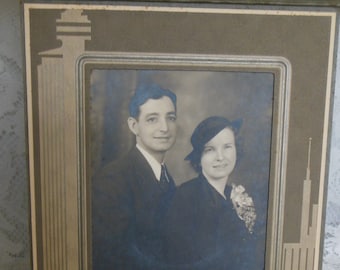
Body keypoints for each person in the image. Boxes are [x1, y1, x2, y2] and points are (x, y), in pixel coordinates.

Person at [92, 83, 177, 270]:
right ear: (134, 126)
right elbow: (113, 256)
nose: (165, 128)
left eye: (170, 118)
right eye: (152, 119)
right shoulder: (113, 178)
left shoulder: (166, 177)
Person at [163, 116, 256, 270]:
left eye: (227, 147)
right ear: (199, 158)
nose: (220, 157)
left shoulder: (235, 194)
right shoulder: (185, 197)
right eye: (210, 149)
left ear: (236, 150)